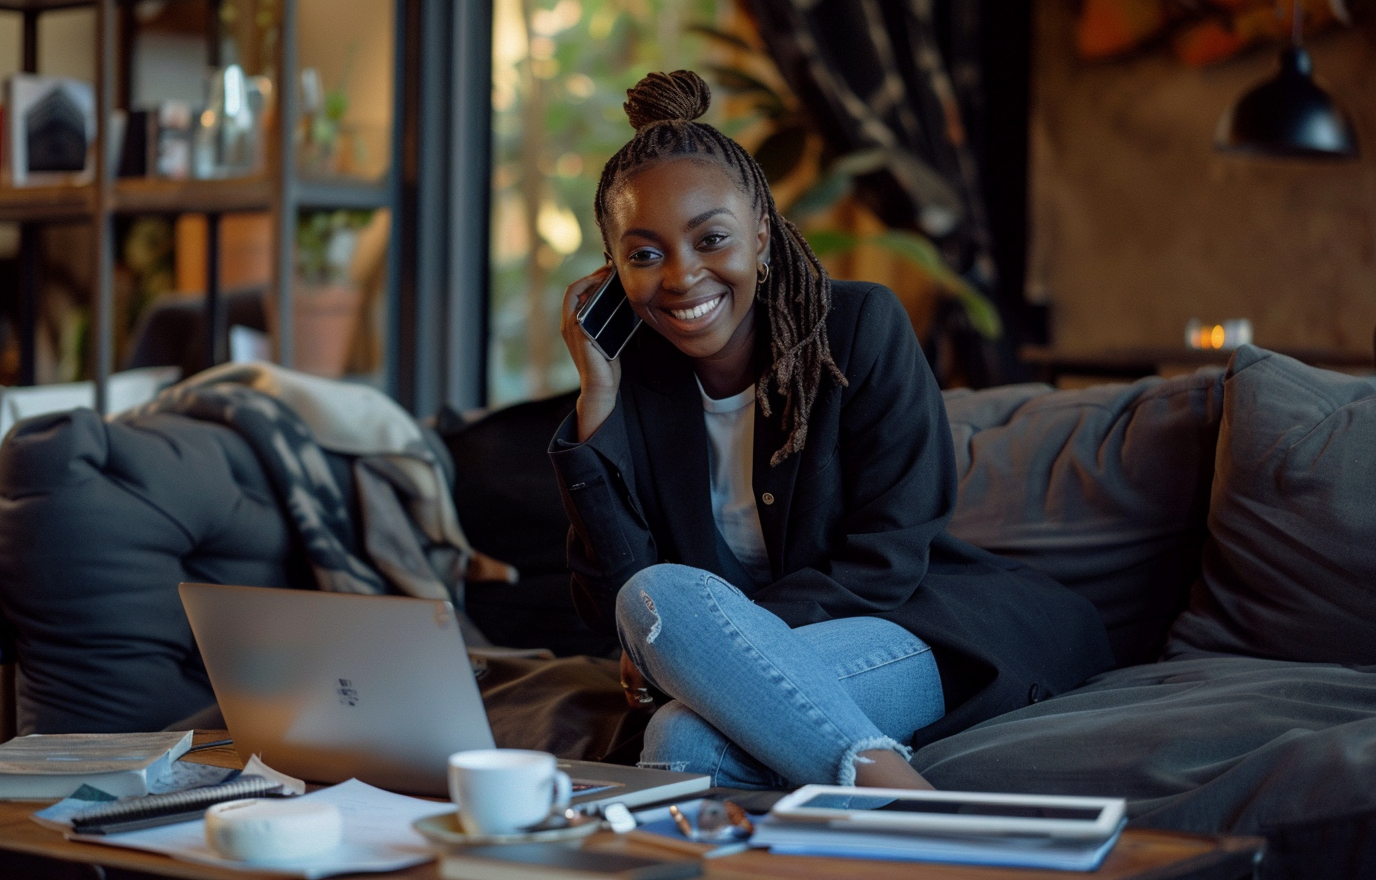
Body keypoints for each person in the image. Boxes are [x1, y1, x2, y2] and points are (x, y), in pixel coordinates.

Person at [549, 70, 1113, 791]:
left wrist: (718, 642)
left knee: (659, 601)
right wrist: (597, 394)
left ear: (760, 236)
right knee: (678, 727)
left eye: (711, 238)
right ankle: (911, 811)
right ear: (613, 272)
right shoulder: (634, 381)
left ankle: (903, 804)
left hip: (921, 627)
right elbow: (609, 601)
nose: (683, 276)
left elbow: (887, 556)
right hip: (759, 667)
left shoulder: (859, 329)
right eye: (646, 254)